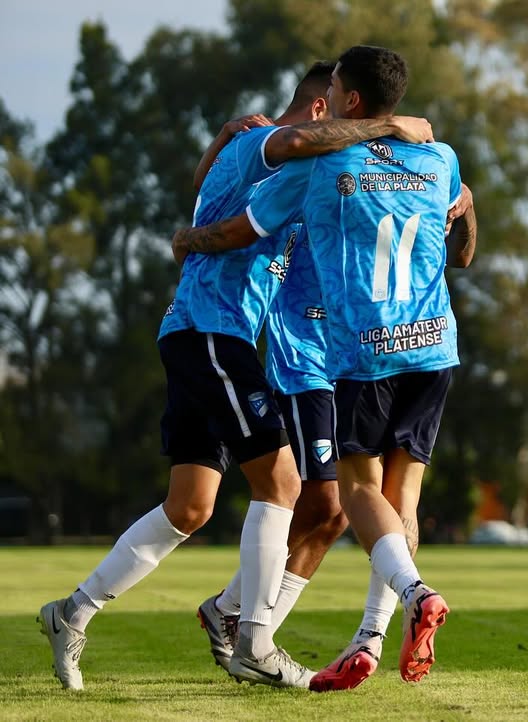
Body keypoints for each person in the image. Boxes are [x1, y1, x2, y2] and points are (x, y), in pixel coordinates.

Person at [37, 61, 435, 692]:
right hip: (214, 333)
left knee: (189, 508)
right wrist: (391, 126)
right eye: (336, 113)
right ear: (318, 110)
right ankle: (254, 641)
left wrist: (197, 208)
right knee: (282, 482)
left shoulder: (245, 146)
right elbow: (297, 148)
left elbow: (208, 192)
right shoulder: (269, 145)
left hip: (200, 334)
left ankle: (71, 613)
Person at [172, 44, 477, 690]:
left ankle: (413, 598)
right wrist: (464, 203)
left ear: (349, 100)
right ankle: (364, 633)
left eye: (334, 86)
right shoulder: (439, 157)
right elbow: (465, 248)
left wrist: (187, 241)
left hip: (362, 352)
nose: (324, 98)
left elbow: (239, 230)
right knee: (398, 501)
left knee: (353, 497)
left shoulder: (323, 161)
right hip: (433, 345)